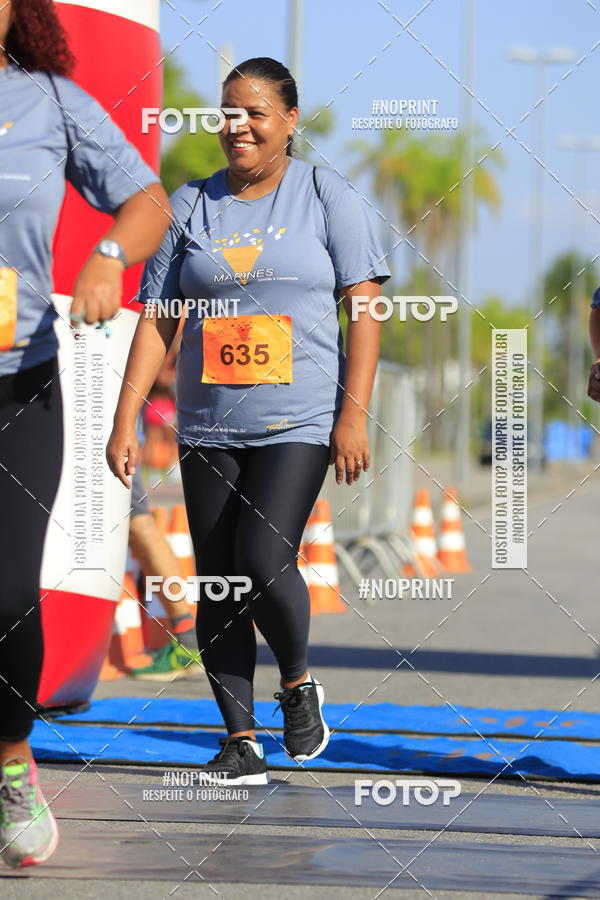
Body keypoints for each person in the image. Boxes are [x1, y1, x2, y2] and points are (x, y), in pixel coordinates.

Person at [107, 57, 389, 785]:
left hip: (299, 419)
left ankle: (296, 682)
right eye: (229, 112)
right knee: (220, 581)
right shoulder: (190, 204)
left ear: (290, 121)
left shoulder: (327, 194)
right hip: (207, 424)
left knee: (263, 560)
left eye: (256, 113)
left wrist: (353, 416)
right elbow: (158, 318)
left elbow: (364, 307)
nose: (239, 126)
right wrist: (125, 417)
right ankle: (240, 741)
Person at [0, 0, 170, 867]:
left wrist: (109, 255)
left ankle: (9, 762)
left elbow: (148, 201)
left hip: (16, 385)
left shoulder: (50, 102)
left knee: (4, 592)